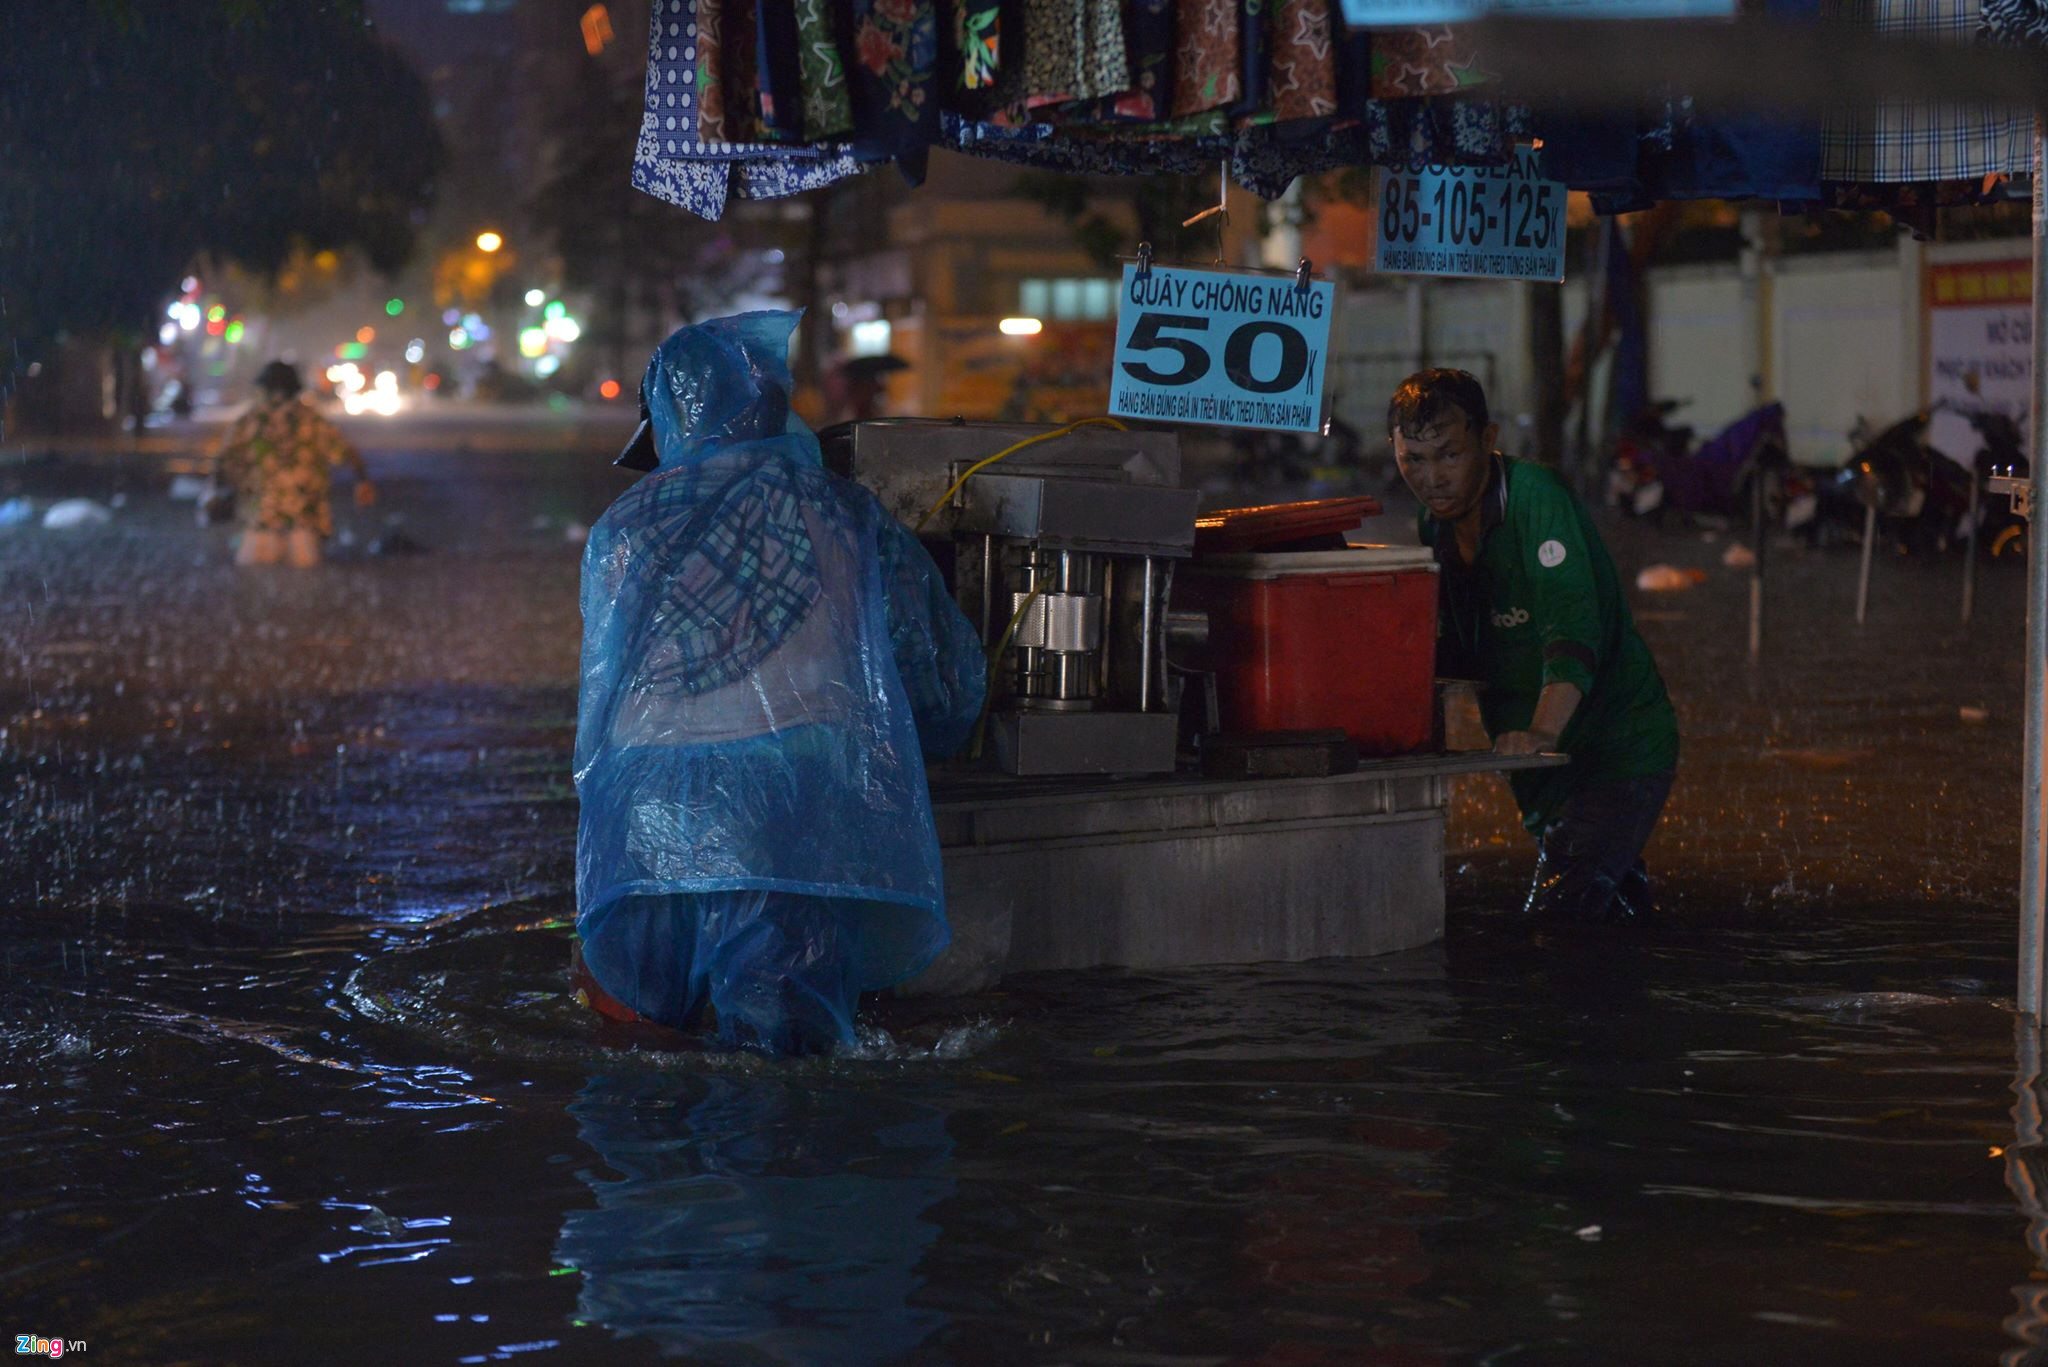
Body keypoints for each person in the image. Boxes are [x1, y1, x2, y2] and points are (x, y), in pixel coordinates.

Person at [572, 310, 986, 1055]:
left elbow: (600, 703)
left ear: (667, 415)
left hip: (643, 828)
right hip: (786, 823)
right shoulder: (844, 513)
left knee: (640, 1064)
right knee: (784, 1080)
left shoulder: (624, 527)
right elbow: (932, 674)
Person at [1390, 368, 1679, 925]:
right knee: (1615, 919)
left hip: (1612, 751)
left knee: (1554, 927)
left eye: (1449, 455)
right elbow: (1452, 646)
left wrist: (1543, 730)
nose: (1433, 478)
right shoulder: (1434, 526)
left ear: (1489, 439)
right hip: (1541, 770)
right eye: (1414, 460)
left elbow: (1571, 630)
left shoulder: (1536, 496)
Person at [208, 360, 374, 567]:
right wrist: (363, 481)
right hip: (304, 526)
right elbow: (346, 452)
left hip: (261, 523)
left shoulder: (250, 421)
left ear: (264, 389)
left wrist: (217, 494)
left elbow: (223, 460)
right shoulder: (312, 421)